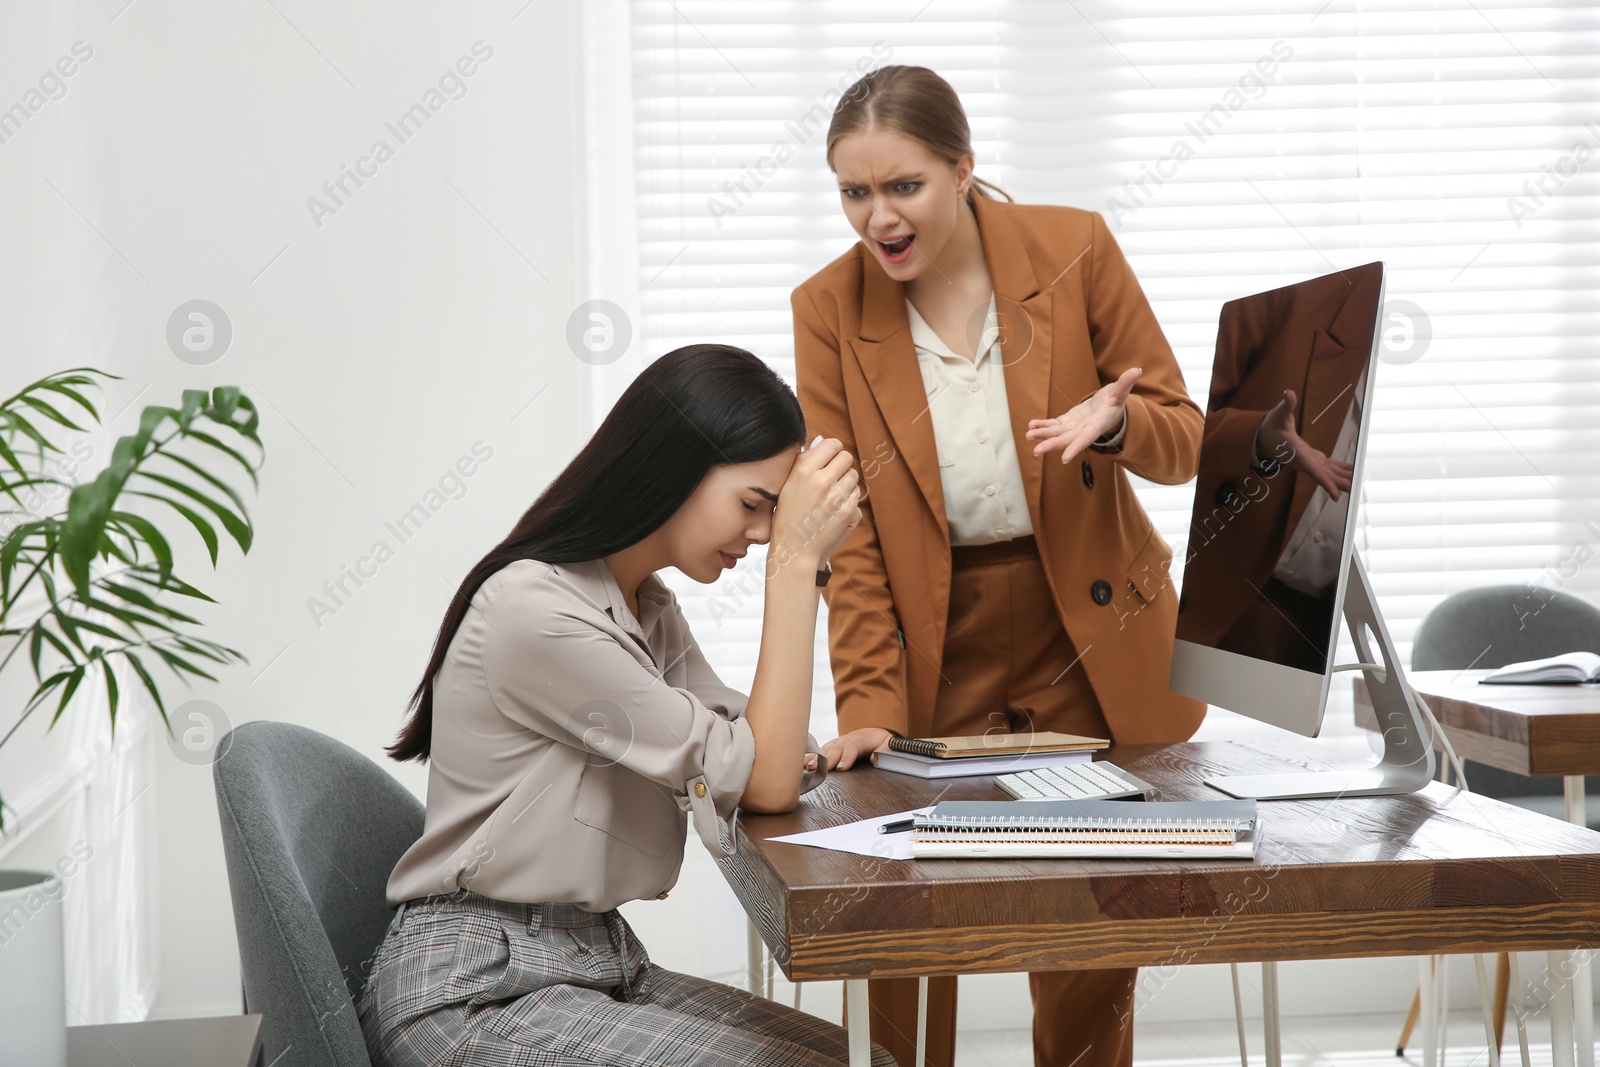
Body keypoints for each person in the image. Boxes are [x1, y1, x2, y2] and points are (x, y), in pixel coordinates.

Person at [791, 66, 1206, 1067]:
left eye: (903, 187)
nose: (877, 217)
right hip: (940, 632)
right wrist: (868, 705)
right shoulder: (826, 309)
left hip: (1091, 630)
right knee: (902, 918)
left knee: (1088, 923)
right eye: (854, 193)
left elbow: (1188, 438)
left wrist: (1115, 424)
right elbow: (846, 538)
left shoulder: (1073, 247)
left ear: (963, 168)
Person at [359, 344, 894, 1067]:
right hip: (476, 987)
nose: (765, 531)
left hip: (592, 961)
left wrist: (808, 744)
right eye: (753, 504)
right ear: (675, 465)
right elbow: (762, 775)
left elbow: (760, 747)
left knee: (869, 1060)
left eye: (776, 515)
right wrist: (797, 563)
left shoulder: (644, 607)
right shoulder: (537, 610)